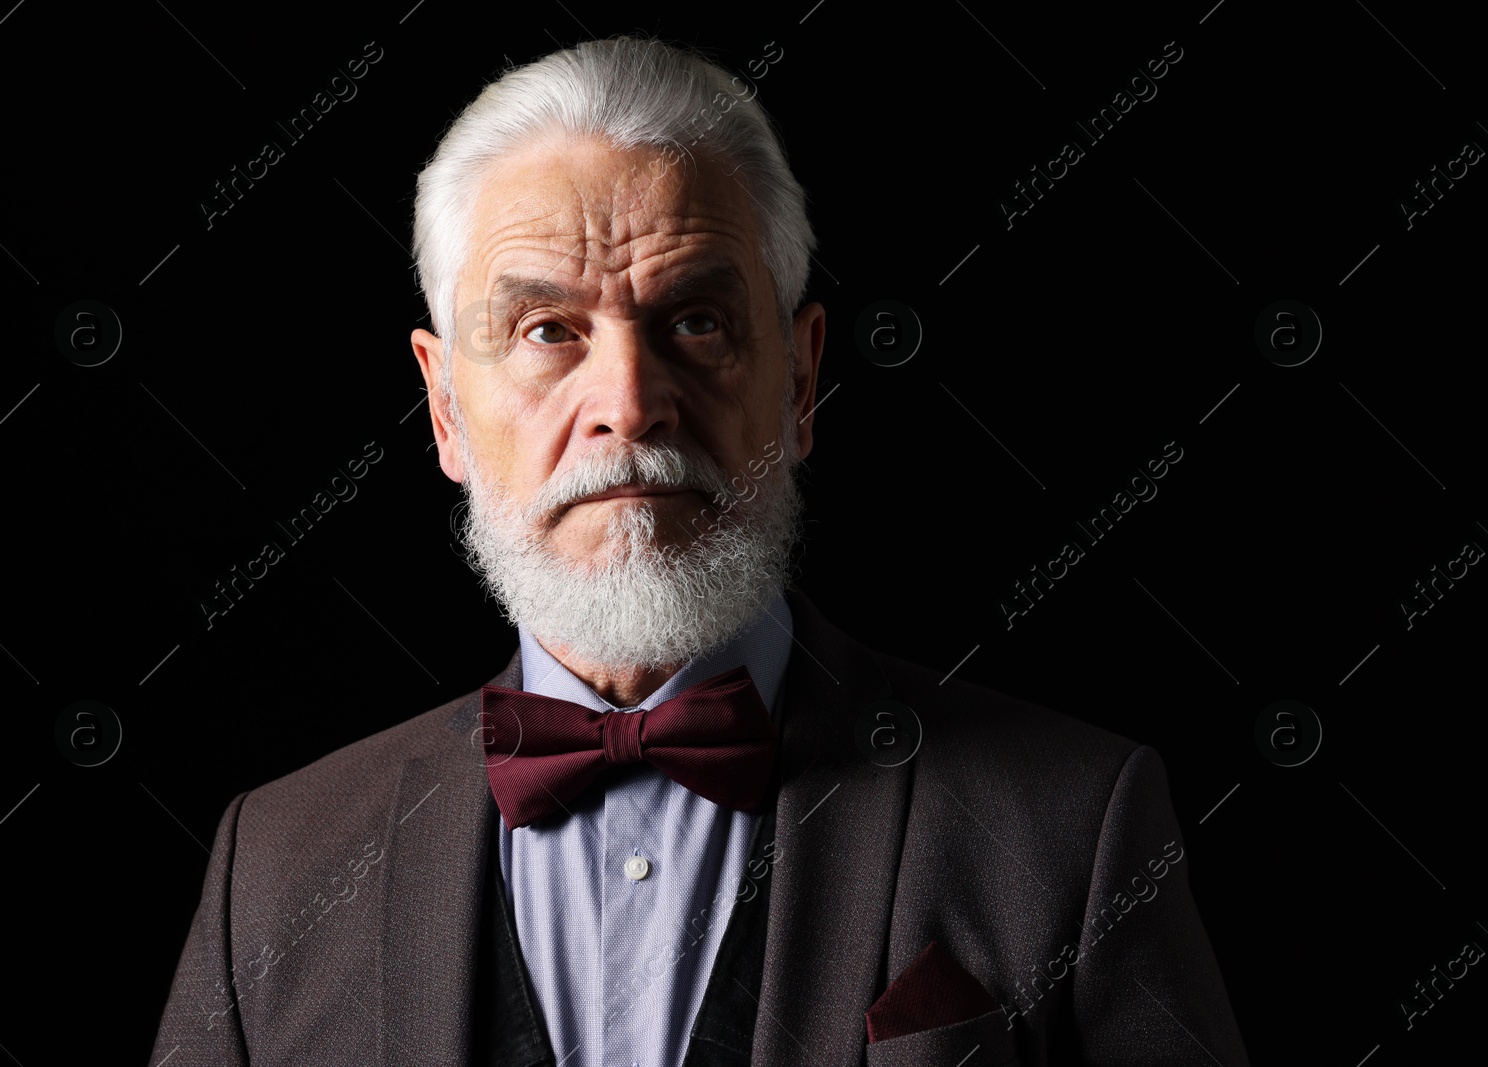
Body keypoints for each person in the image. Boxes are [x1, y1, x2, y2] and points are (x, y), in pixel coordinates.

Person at [149, 35, 1249, 1066]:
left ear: (803, 379)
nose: (628, 404)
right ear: (442, 408)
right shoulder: (276, 867)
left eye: (699, 321)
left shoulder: (1074, 824)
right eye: (548, 331)